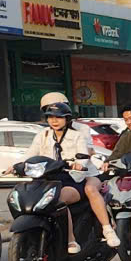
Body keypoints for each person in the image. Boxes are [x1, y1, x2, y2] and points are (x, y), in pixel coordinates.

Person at [28, 94, 120, 250]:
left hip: (84, 173)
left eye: (58, 113)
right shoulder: (43, 135)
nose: (54, 118)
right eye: (49, 113)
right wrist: (17, 166)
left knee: (90, 189)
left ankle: (107, 229)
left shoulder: (80, 131)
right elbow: (30, 154)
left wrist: (78, 163)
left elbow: (87, 152)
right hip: (55, 175)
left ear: (67, 113)